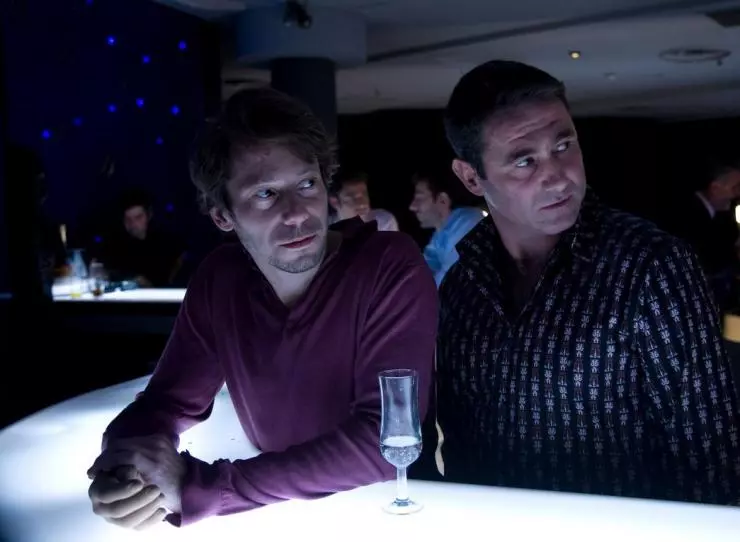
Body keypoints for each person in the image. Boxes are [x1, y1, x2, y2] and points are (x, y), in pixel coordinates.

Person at [85, 88, 437, 529]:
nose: (297, 214)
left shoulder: (388, 263)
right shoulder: (221, 279)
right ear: (222, 216)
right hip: (277, 519)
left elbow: (383, 444)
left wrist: (204, 488)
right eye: (266, 194)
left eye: (307, 184)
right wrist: (125, 464)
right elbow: (167, 401)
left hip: (393, 516)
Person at [434, 60, 740, 504]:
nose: (558, 175)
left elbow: (711, 457)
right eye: (524, 160)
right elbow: (460, 446)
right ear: (470, 177)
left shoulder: (650, 265)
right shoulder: (462, 288)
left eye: (564, 145)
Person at [662, 157, 740, 311]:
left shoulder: (722, 217)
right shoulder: (686, 217)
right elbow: (707, 263)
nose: (738, 194)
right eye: (735, 187)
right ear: (715, 188)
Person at [409, 169, 485, 286]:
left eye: (419, 198)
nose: (412, 207)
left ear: (442, 200)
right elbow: (423, 270)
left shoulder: (468, 225)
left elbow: (453, 285)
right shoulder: (440, 235)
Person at [100, 190, 185, 287]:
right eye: (128, 219)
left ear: (149, 215)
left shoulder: (166, 242)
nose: (133, 224)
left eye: (138, 217)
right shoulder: (115, 245)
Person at [329, 170, 399, 231]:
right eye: (352, 198)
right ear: (334, 202)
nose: (362, 204)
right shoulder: (326, 229)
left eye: (364, 194)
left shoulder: (384, 222)